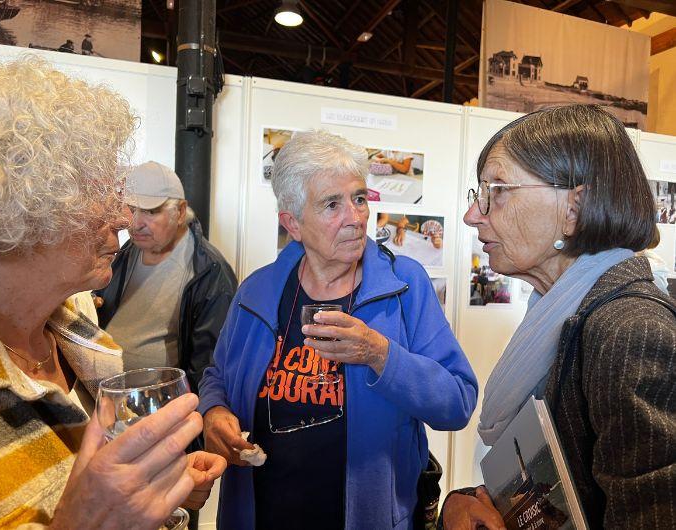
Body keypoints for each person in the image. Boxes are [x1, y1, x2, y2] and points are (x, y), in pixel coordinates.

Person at [0, 57, 227, 529]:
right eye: (93, 190)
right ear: (17, 210)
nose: (125, 220)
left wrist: (161, 495)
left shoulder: (77, 334)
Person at [199, 130, 478, 530]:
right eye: (332, 204)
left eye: (359, 199)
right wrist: (214, 412)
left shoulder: (404, 286)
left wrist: (381, 354)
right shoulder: (257, 291)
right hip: (261, 514)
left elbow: (458, 401)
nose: (356, 217)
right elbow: (217, 376)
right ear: (292, 223)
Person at [443, 105, 676, 529]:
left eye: (496, 189)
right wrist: (461, 504)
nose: (472, 215)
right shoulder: (557, 312)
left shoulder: (629, 330)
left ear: (574, 207)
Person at [96, 161, 237, 394]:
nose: (135, 223)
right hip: (105, 397)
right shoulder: (126, 253)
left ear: (180, 212)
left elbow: (208, 368)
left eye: (151, 212)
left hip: (159, 410)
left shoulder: (210, 272)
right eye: (132, 209)